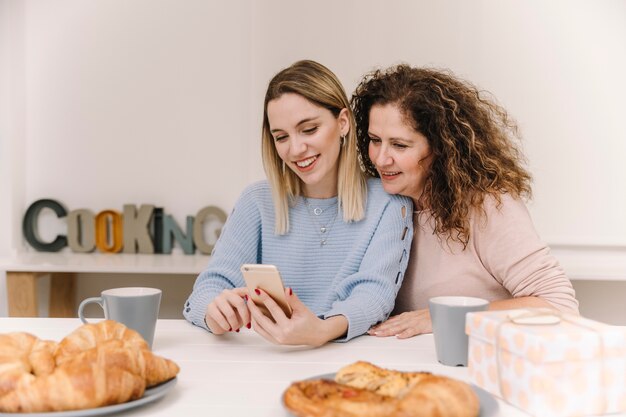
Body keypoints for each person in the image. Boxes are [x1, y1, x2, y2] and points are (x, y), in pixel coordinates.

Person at [183, 60, 413, 346]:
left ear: (343, 122)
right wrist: (215, 312)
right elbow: (206, 290)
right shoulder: (257, 201)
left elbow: (374, 296)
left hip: (347, 360)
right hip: (264, 363)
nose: (295, 149)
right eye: (281, 137)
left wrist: (321, 330)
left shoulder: (389, 203)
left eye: (309, 130)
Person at [350, 64, 579, 339]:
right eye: (375, 140)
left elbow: (559, 306)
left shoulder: (489, 206)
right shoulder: (384, 204)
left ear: (440, 147)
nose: (380, 159)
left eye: (400, 145)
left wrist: (443, 317)